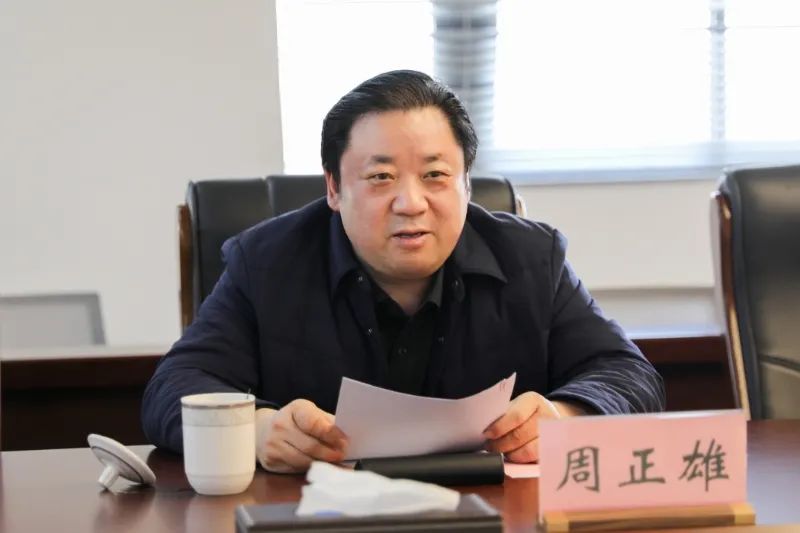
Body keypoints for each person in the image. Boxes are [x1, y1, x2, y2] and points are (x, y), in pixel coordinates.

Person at [142, 70, 665, 473]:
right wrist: (256, 429)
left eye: (435, 174)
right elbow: (173, 386)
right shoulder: (266, 262)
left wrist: (564, 417)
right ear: (334, 188)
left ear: (465, 184)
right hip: (316, 517)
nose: (411, 203)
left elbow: (627, 374)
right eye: (381, 177)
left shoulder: (531, 257)